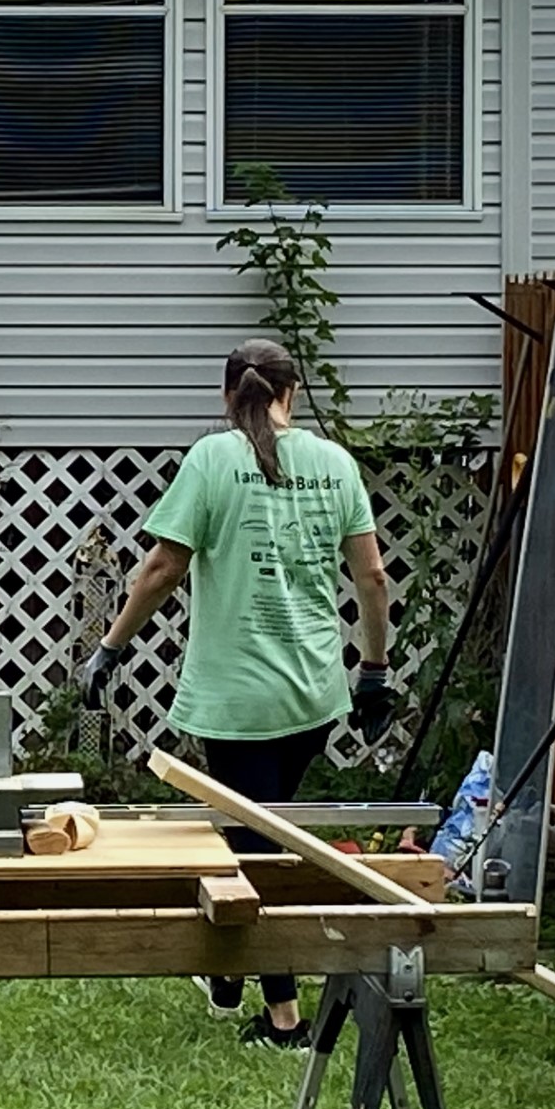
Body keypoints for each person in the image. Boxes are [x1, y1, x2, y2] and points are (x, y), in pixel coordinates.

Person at [78, 339, 394, 1049]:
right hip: (314, 692)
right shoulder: (334, 464)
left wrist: (111, 646)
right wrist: (374, 671)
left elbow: (162, 567)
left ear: (227, 395)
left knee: (257, 845)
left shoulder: (213, 460)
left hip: (238, 697)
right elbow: (371, 579)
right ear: (294, 392)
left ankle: (283, 1016)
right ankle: (228, 962)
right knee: (252, 825)